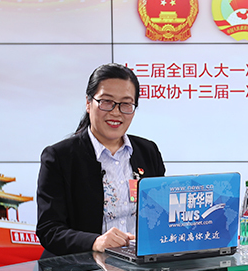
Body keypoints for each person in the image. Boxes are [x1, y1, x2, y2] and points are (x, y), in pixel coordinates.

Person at [36, 63, 165, 258]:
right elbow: (49, 230)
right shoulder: (59, 157)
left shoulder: (148, 151)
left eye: (126, 104)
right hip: (82, 269)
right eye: (106, 101)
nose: (116, 112)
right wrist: (95, 242)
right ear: (88, 103)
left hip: (140, 265)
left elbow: (160, 214)